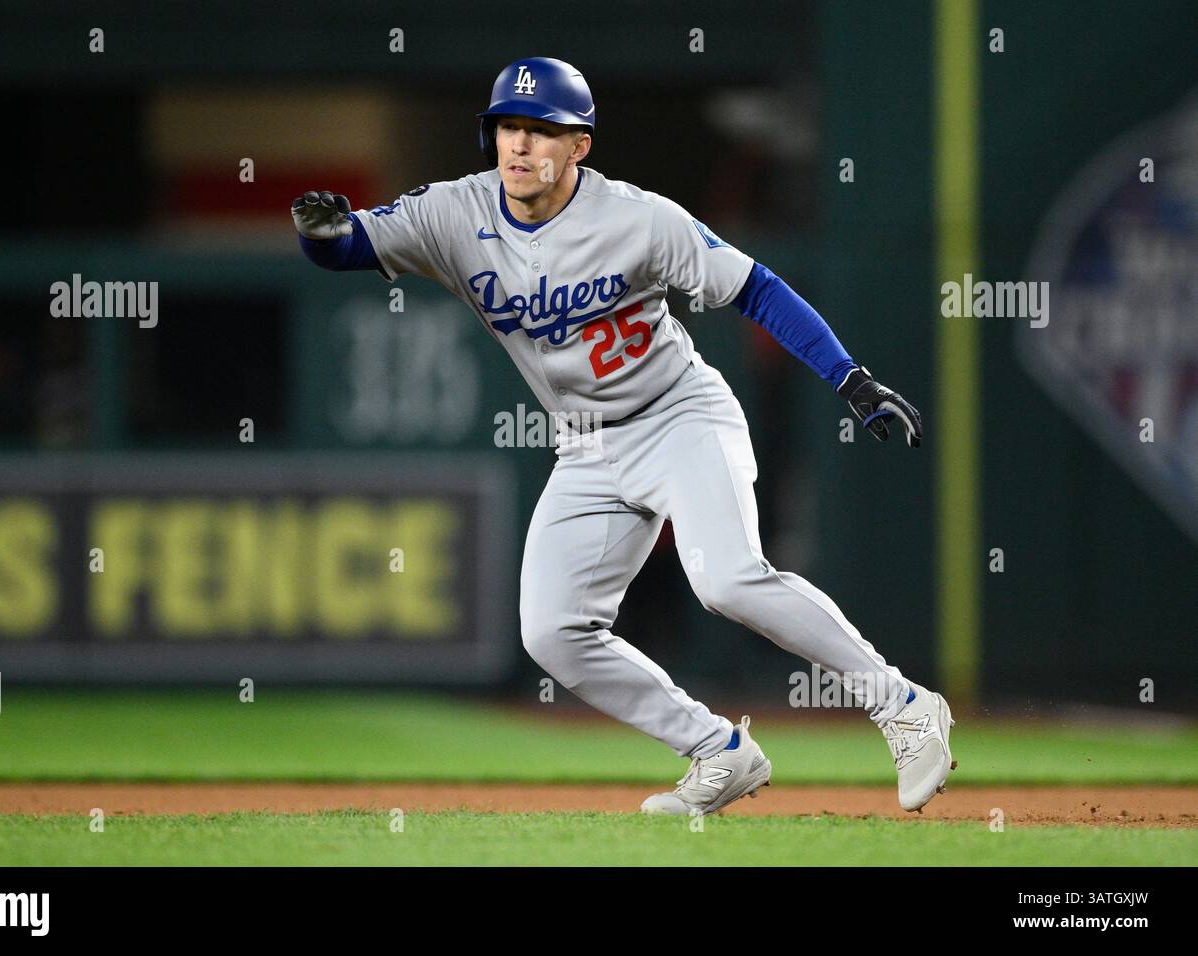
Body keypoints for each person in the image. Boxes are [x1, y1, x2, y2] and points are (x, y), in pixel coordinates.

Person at [292, 57, 955, 815]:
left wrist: (851, 379)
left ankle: (903, 704)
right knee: (552, 632)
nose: (519, 145)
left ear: (580, 146)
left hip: (680, 417)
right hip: (585, 448)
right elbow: (347, 244)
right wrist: (320, 231)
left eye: (541, 131)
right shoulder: (455, 212)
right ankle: (719, 750)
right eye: (509, 126)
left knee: (727, 579)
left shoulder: (638, 218)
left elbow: (758, 290)